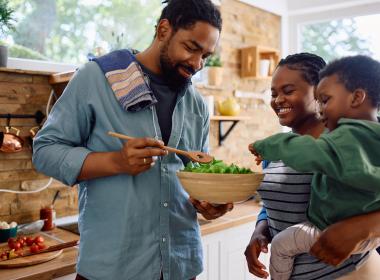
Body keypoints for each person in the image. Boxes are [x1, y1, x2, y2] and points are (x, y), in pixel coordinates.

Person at [32, 1, 232, 279]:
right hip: (112, 267)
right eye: (191, 48)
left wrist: (211, 201)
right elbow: (44, 151)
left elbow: (198, 172)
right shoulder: (96, 79)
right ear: (163, 30)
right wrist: (115, 161)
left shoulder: (196, 103)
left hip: (181, 265)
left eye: (206, 56)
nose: (197, 64)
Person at [244, 53, 380, 280]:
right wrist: (260, 231)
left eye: (288, 91)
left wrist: (361, 228)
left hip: (352, 273)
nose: (278, 100)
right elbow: (273, 204)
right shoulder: (279, 149)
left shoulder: (349, 143)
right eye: (274, 93)